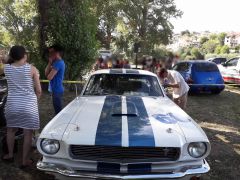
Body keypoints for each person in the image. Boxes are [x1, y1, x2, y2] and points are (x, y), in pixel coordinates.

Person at [1, 45, 41, 167]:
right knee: (28, 133)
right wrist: (35, 101)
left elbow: (5, 60)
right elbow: (38, 90)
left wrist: (7, 57)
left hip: (12, 105)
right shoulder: (32, 69)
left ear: (12, 56)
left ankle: (9, 155)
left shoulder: (6, 68)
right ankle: (24, 161)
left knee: (10, 130)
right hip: (28, 105)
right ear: (25, 55)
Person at [45, 44, 65, 114]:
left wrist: (50, 64)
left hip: (57, 90)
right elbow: (46, 74)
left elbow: (49, 77)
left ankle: (60, 123)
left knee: (58, 111)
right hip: (55, 90)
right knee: (57, 109)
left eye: (51, 52)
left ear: (57, 53)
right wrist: (49, 63)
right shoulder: (55, 63)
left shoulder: (58, 63)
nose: (49, 54)